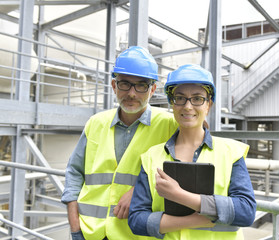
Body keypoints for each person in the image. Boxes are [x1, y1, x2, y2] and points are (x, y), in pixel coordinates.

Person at [61, 46, 178, 240]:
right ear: (114, 86)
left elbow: (183, 172)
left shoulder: (169, 125)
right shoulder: (95, 123)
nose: (132, 93)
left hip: (136, 234)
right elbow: (74, 173)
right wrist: (75, 227)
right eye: (125, 84)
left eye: (141, 85)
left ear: (152, 90)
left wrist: (140, 189)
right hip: (90, 232)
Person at [128, 64, 256, 240]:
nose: (187, 106)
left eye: (197, 99)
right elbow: (136, 221)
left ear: (208, 105)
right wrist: (196, 219)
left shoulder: (231, 152)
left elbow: (246, 211)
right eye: (180, 98)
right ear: (172, 103)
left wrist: (179, 195)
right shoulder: (151, 156)